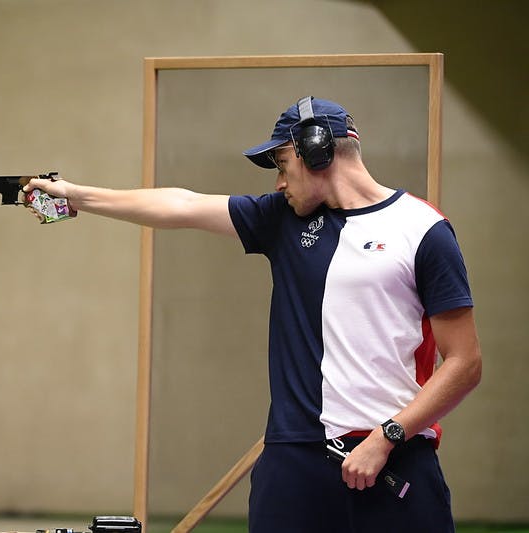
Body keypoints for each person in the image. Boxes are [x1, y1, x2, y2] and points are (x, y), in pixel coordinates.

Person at [24, 96, 482, 532]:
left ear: (317, 152)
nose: (279, 183)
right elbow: (183, 205)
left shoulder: (423, 230)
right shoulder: (283, 220)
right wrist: (73, 195)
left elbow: (464, 363)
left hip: (394, 457)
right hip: (294, 461)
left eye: (282, 164)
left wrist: (387, 437)